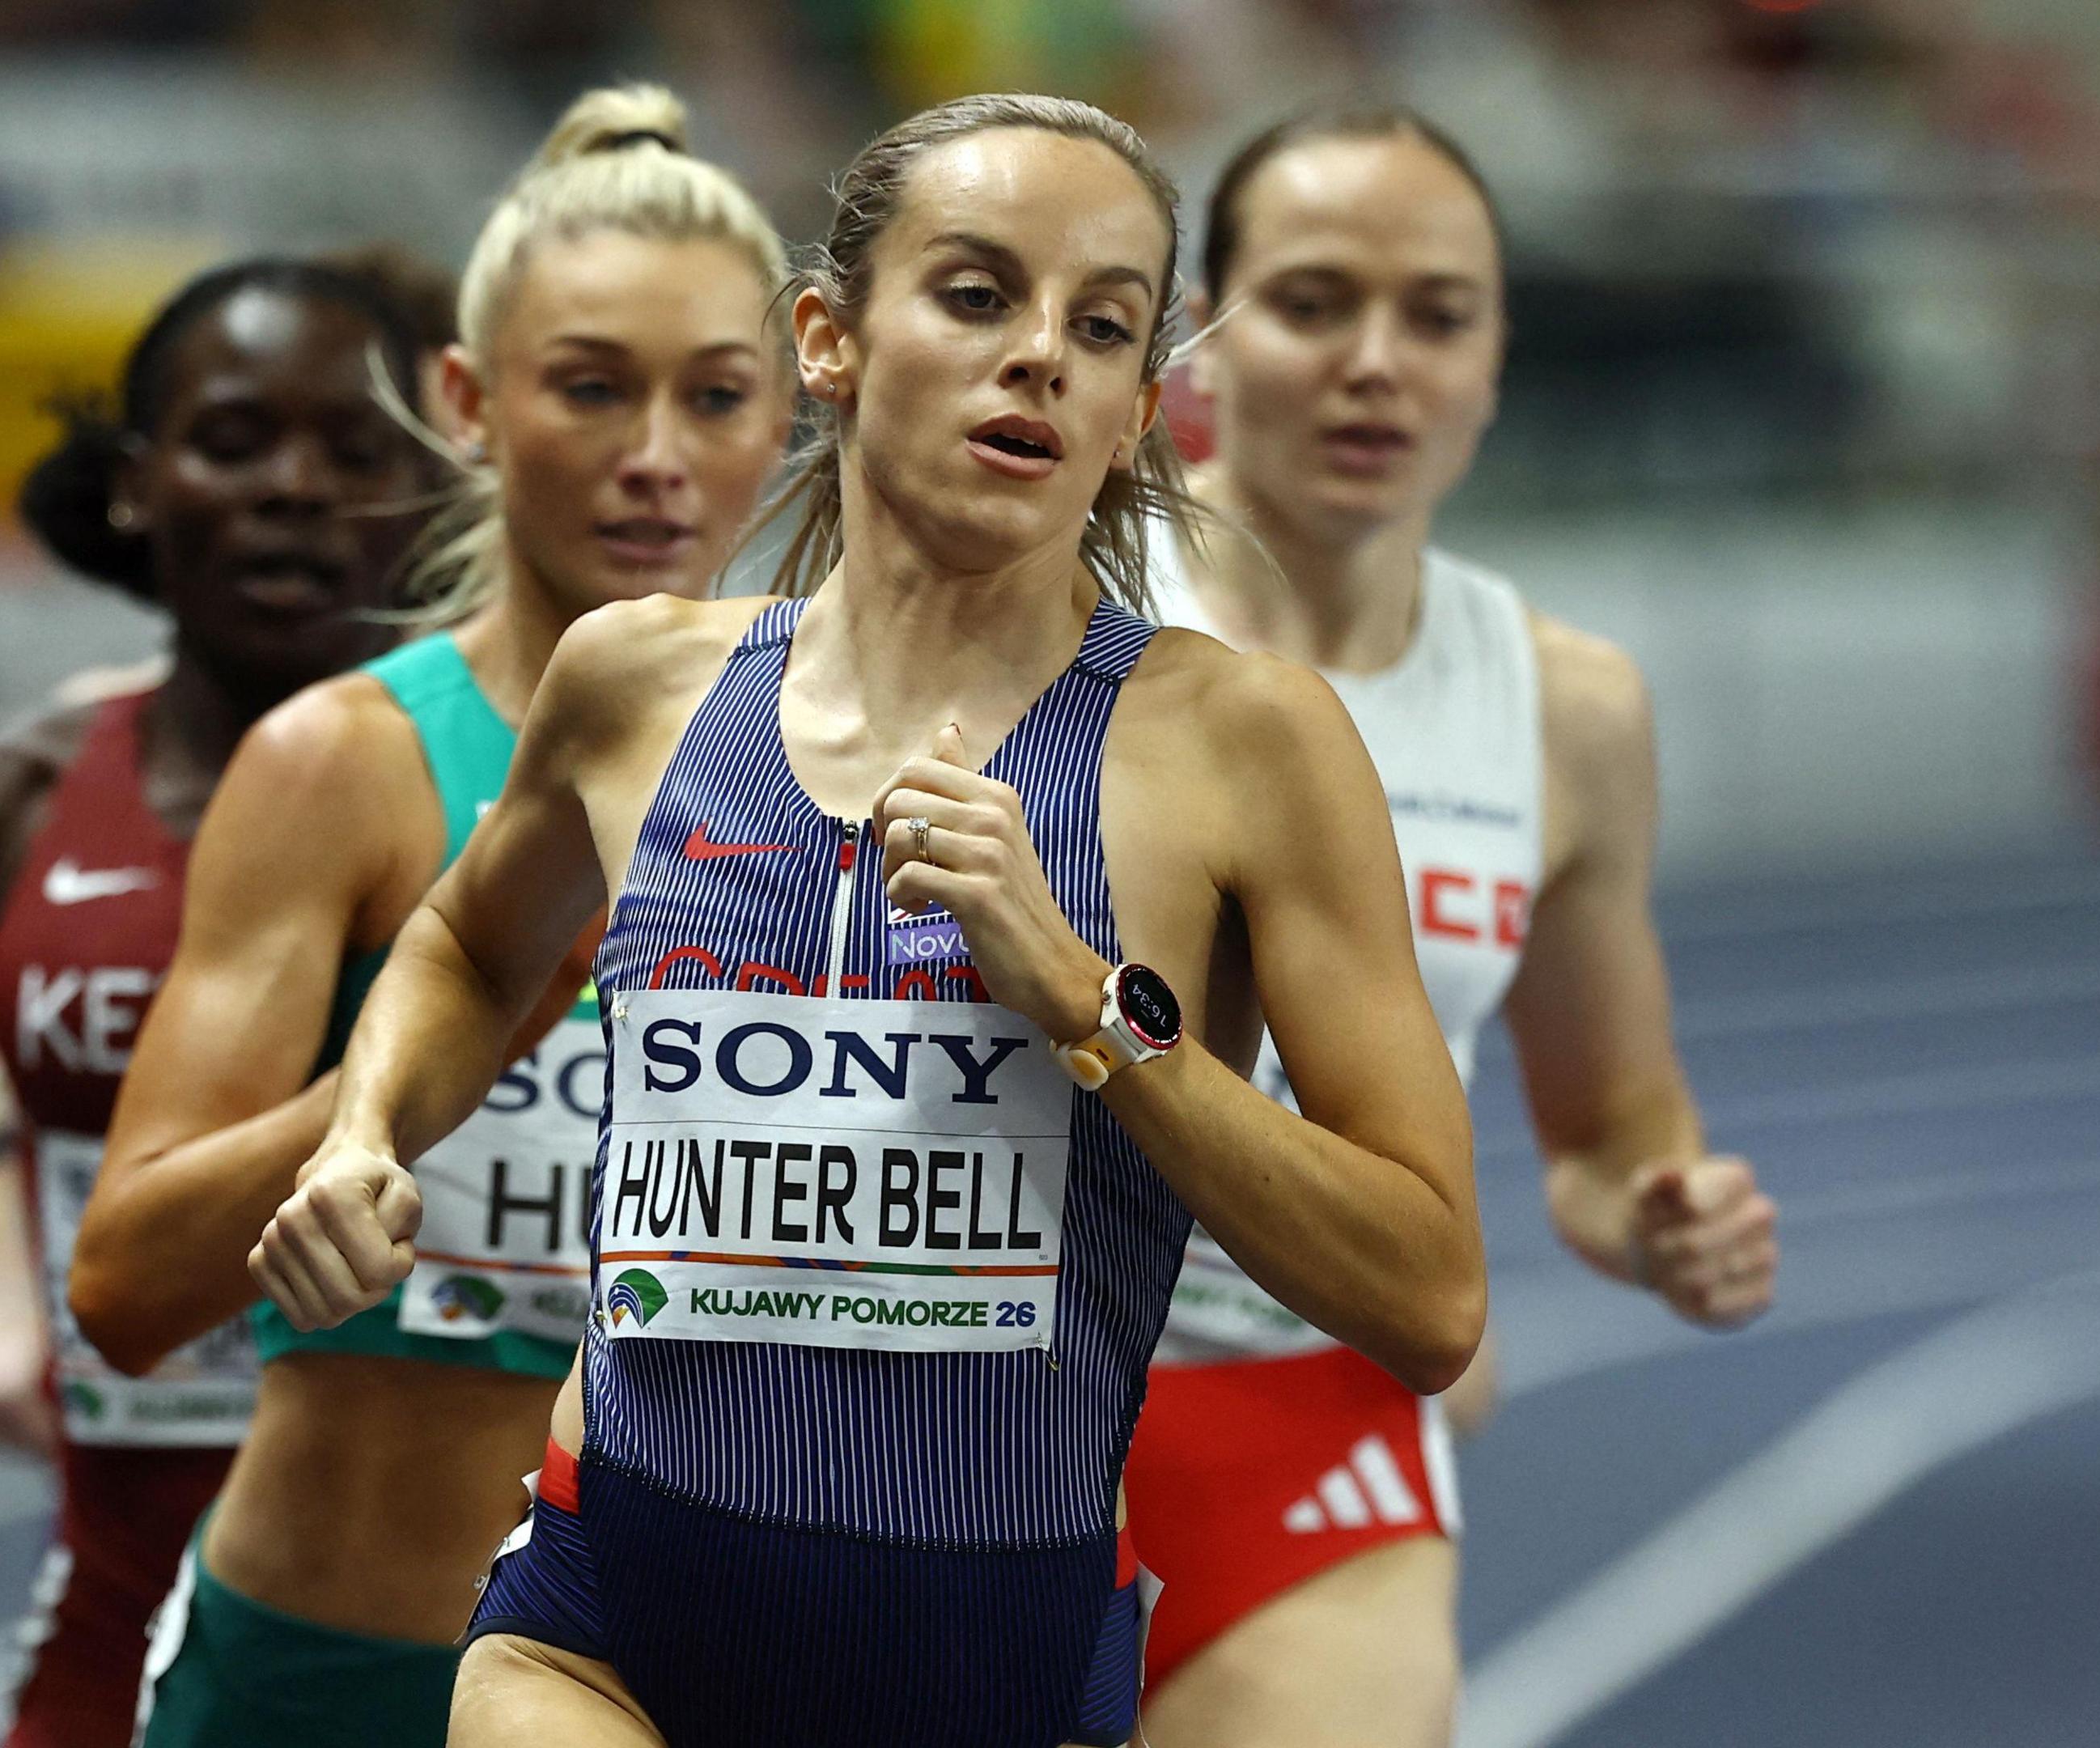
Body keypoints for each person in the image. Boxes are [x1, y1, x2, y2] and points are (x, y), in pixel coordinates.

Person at [251, 93, 1485, 1748]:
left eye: (1101, 326)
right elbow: (471, 944)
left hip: (995, 1656)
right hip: (600, 1625)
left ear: (1134, 412)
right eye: (977, 296)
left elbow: (1430, 1293)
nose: (1040, 354)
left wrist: (1088, 1005)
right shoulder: (637, 682)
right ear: (828, 341)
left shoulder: (1244, 746)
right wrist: (364, 1133)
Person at [66, 86, 791, 1748]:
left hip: (675, 1684)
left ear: (793, 406)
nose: (658, 459)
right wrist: (390, 1097)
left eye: (717, 396)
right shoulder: (352, 766)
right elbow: (123, 1284)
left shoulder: (856, 776)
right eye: (592, 389)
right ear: (468, 402)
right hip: (328, 1677)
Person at [1122, 104, 1784, 1748]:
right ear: (1203, 331)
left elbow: (1608, 1130)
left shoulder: (1565, 708)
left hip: (1318, 1417)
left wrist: (1664, 1212)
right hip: (986, 1400)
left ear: (1496, 360)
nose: (1376, 364)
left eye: (1437, 316)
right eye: (1313, 301)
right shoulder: (1065, 610)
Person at [0, 249, 453, 1748]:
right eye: (234, 441)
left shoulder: (529, 812)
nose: (294, 490)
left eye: (353, 453)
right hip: (128, 1594)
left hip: (450, 1625)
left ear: (441, 488)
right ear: (138, 484)